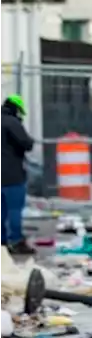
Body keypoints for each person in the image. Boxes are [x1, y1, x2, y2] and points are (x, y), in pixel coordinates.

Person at [0, 95, 34, 256]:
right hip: (11, 174)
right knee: (14, 209)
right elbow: (26, 143)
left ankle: (2, 242)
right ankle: (16, 241)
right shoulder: (11, 122)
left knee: (1, 210)